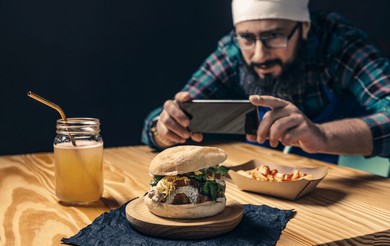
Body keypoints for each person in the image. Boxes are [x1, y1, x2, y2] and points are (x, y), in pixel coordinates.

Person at [141, 0, 390, 163]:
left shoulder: (338, 42)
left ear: (304, 28)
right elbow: (168, 114)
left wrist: (321, 135)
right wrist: (163, 128)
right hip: (270, 177)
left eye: (275, 36)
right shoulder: (233, 51)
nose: (259, 55)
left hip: (351, 176)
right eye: (247, 38)